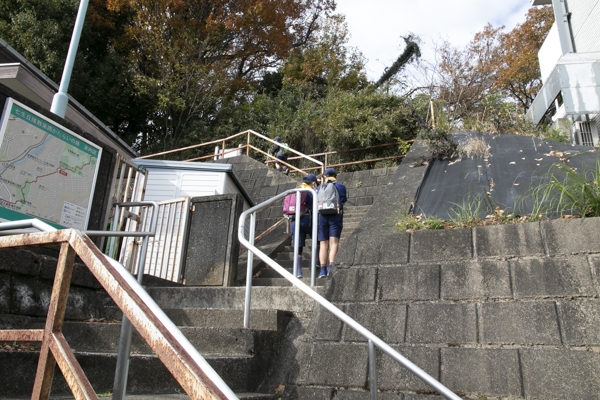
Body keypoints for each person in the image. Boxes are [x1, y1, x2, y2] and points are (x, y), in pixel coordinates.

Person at [317, 167, 347, 278]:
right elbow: (343, 199)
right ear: (336, 176)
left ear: (324, 176)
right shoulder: (340, 186)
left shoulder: (320, 188)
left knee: (323, 244)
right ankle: (331, 268)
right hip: (335, 215)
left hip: (322, 216)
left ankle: (322, 270)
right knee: (334, 243)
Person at [290, 174, 318, 278]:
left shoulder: (295, 191)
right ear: (313, 183)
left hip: (294, 220)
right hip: (307, 219)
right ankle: (317, 261)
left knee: (298, 246)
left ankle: (298, 271)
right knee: (318, 238)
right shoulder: (311, 192)